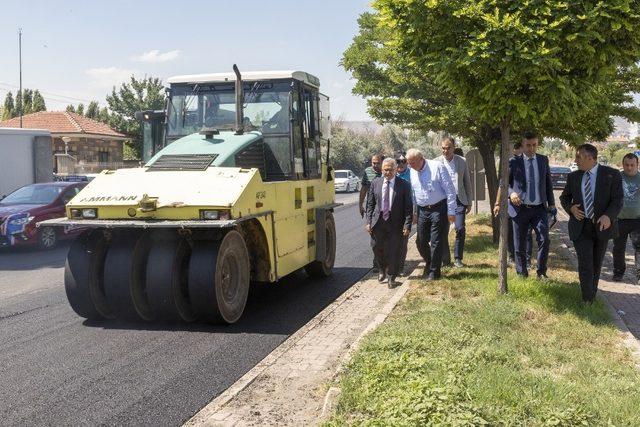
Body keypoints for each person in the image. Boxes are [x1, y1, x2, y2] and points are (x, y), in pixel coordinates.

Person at [560, 144, 623, 303]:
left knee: (596, 264)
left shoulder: (612, 174)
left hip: (602, 226)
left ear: (590, 158)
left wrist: (609, 216)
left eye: (578, 157)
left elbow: (618, 200)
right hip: (581, 226)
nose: (576, 160)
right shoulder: (574, 177)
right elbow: (564, 198)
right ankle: (587, 300)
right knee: (586, 263)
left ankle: (591, 296)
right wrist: (571, 208)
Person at [508, 131, 555, 279]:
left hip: (539, 208)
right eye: (528, 145)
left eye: (534, 145)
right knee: (519, 243)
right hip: (519, 208)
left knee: (544, 239)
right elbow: (505, 184)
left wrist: (552, 204)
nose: (531, 148)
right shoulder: (513, 162)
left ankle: (541, 272)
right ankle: (522, 273)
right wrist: (511, 193)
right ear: (523, 145)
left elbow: (548, 183)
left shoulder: (543, 160)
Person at [406, 148, 456, 281]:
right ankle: (430, 262)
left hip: (438, 208)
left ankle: (434, 272)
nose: (410, 166)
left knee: (436, 241)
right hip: (423, 210)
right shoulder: (412, 171)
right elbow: (414, 194)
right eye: (408, 163)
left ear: (421, 159)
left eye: (412, 163)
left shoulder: (437, 167)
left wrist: (451, 211)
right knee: (420, 241)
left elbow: (450, 190)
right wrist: (415, 213)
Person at [365, 158, 413, 288]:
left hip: (395, 222)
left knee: (394, 250)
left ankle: (392, 277)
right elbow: (370, 204)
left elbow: (408, 207)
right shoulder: (375, 183)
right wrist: (368, 221)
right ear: (382, 170)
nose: (388, 172)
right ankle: (382, 269)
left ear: (396, 169)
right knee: (376, 246)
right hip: (378, 221)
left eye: (391, 169)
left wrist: (407, 225)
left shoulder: (404, 185)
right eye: (385, 170)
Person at [494, 142, 532, 265]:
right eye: (518, 149)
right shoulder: (511, 162)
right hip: (512, 206)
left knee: (527, 233)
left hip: (527, 206)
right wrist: (497, 203)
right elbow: (502, 184)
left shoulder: (530, 165)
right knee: (511, 232)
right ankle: (511, 256)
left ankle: (527, 259)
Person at [436, 137, 472, 268]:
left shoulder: (462, 161)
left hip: (459, 199)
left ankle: (458, 258)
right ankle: (445, 259)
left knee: (460, 228)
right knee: (442, 230)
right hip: (442, 200)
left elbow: (467, 182)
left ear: (454, 147)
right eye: (443, 148)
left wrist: (469, 201)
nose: (445, 151)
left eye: (448, 148)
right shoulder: (436, 162)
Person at [612, 153, 640, 283]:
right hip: (619, 219)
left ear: (637, 165)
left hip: (637, 220)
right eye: (626, 165)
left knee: (639, 248)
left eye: (632, 165)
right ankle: (618, 272)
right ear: (622, 165)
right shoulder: (617, 177)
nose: (629, 168)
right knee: (618, 248)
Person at [360, 154, 383, 271]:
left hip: (384, 207)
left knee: (385, 236)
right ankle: (377, 261)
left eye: (377, 163)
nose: (375, 165)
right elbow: (363, 189)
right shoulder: (367, 172)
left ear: (382, 162)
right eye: (373, 163)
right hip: (371, 207)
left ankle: (385, 261)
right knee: (374, 235)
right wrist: (360, 205)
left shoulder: (386, 171)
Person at [395, 152, 411, 275]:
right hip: (391, 213)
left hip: (406, 211)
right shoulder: (389, 173)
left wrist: (414, 213)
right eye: (398, 161)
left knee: (403, 241)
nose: (400, 163)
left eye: (403, 161)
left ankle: (400, 267)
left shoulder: (412, 174)